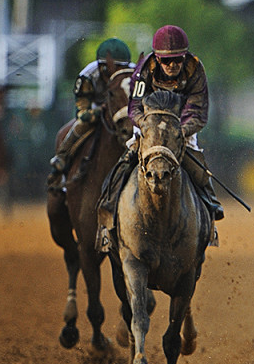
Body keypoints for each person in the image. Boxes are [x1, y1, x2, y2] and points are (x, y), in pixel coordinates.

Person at [102, 25, 224, 223]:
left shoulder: (195, 69)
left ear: (185, 57)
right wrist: (147, 126)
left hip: (181, 126)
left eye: (177, 59)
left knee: (196, 162)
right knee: (127, 159)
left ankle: (210, 205)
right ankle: (108, 206)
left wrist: (179, 131)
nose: (172, 65)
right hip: (148, 124)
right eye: (167, 61)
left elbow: (199, 113)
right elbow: (134, 108)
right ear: (157, 58)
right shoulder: (144, 70)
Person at [45, 38, 135, 192]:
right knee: (81, 125)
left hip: (124, 111)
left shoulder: (134, 73)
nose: (115, 73)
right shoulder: (87, 77)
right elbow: (83, 114)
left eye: (121, 69)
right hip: (96, 107)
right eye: (110, 69)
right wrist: (101, 111)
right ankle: (61, 160)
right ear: (101, 67)